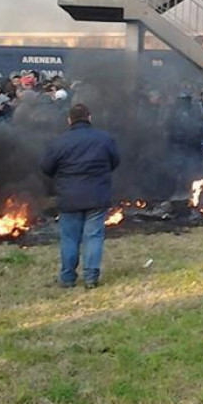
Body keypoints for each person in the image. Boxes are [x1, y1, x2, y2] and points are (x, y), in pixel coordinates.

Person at [40, 103, 121, 289]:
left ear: (69, 120)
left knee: (70, 238)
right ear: (89, 117)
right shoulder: (104, 139)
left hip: (69, 198)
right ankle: (91, 277)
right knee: (93, 236)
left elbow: (46, 168)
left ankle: (68, 278)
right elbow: (115, 161)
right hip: (97, 196)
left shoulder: (59, 142)